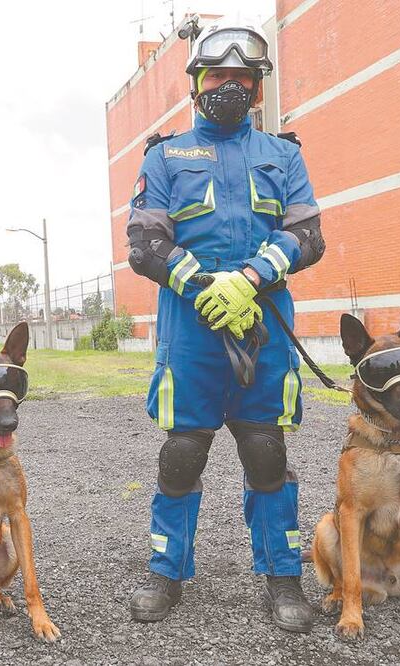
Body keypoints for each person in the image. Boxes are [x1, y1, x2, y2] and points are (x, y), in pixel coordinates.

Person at [125, 16, 327, 633]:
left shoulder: (284, 154)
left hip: (263, 323)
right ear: (196, 82)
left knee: (267, 451)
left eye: (243, 78)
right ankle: (166, 571)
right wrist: (205, 286)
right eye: (219, 76)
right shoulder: (165, 155)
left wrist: (250, 279)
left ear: (259, 89)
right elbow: (144, 240)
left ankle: (282, 577)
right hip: (192, 330)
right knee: (182, 452)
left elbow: (307, 235)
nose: (230, 87)